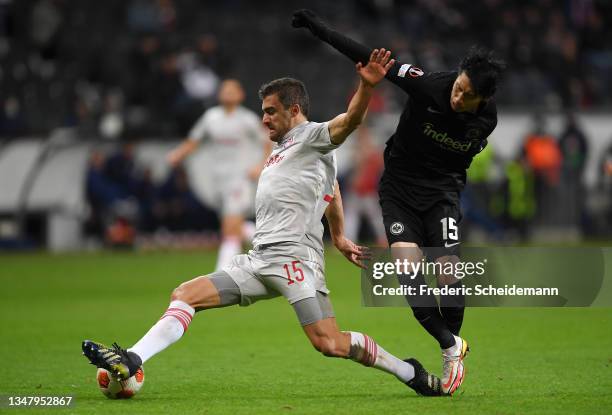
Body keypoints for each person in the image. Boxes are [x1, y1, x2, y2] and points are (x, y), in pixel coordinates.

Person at [82, 50, 444, 397]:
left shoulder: (313, 137)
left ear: (295, 109)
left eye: (271, 112)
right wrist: (339, 236)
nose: (264, 119)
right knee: (185, 294)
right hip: (259, 260)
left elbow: (349, 121)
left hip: (295, 262)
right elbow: (331, 188)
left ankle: (408, 371)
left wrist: (366, 87)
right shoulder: (283, 148)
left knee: (329, 343)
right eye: (263, 112)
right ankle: (132, 358)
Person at [292, 9, 506, 395]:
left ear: (484, 99)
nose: (458, 97)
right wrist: (319, 28)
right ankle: (450, 345)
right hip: (398, 190)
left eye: (468, 95)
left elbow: (464, 157)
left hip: (442, 194)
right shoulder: (428, 86)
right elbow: (373, 59)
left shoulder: (486, 120)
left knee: (449, 277)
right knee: (409, 273)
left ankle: (451, 344)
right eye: (458, 87)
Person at [167, 79, 272, 271]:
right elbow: (194, 140)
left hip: (241, 178)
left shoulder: (247, 119)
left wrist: (260, 166)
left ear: (241, 95)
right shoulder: (211, 117)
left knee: (230, 226)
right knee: (234, 226)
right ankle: (278, 242)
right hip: (219, 179)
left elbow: (267, 142)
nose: (228, 93)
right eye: (225, 90)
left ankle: (223, 270)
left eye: (233, 90)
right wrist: (178, 154)